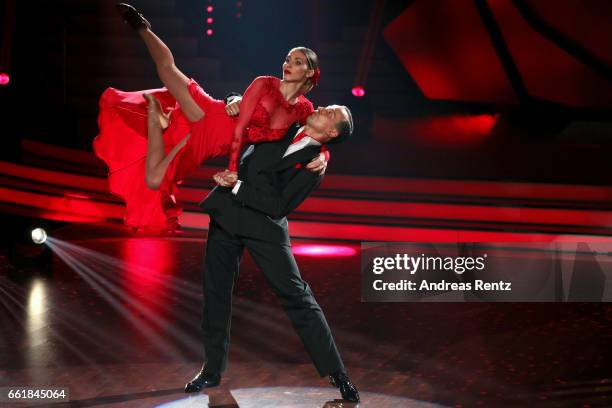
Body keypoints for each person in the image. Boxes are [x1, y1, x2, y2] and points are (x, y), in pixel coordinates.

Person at [93, 3, 327, 230]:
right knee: (166, 69)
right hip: (210, 114)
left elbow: (317, 136)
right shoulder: (266, 83)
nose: (288, 64)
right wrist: (233, 101)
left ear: (308, 72)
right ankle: (141, 26)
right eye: (287, 59)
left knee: (154, 180)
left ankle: (157, 122)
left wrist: (324, 157)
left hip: (209, 143)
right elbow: (239, 113)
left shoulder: (304, 110)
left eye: (297, 62)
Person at [184, 104, 360, 403]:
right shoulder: (286, 120)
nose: (322, 108)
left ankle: (337, 373)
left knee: (297, 296)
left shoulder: (315, 162)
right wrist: (233, 98)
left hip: (264, 227)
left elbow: (279, 206)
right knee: (216, 293)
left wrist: (238, 185)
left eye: (331, 113)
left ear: (331, 133)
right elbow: (256, 102)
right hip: (226, 214)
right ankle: (212, 369)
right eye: (326, 106)